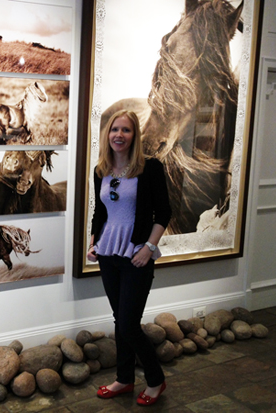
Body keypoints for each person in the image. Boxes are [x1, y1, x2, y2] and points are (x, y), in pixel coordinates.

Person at [87, 109, 171, 406]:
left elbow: (163, 214)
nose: (119, 135)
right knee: (119, 319)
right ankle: (124, 379)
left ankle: (156, 380)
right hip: (109, 254)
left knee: (128, 324)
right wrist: (93, 243)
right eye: (114, 130)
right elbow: (100, 213)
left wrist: (148, 248)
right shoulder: (101, 171)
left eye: (126, 130)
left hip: (136, 254)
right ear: (107, 135)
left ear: (135, 135)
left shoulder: (150, 168)